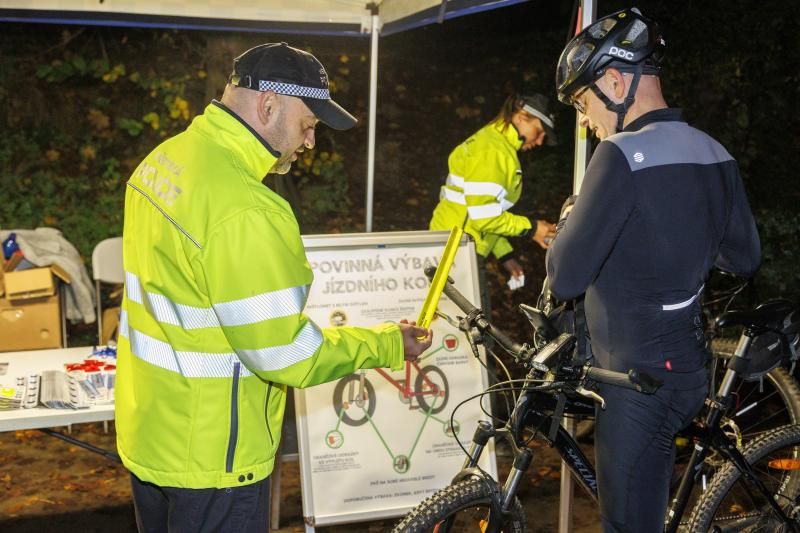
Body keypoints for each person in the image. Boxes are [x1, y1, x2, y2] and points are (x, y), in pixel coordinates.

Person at [115, 42, 433, 532]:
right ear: (268, 106)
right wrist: (389, 342)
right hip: (215, 459)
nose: (309, 143)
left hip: (152, 437)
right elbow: (287, 355)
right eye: (308, 125)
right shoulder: (248, 210)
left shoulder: (163, 160)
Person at [546, 8, 761, 532]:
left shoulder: (620, 155)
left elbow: (566, 277)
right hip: (687, 372)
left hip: (633, 383)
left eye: (582, 101)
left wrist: (572, 220)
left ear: (616, 82)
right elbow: (744, 258)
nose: (584, 118)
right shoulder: (715, 152)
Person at [429, 88, 558, 292]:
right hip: (455, 254)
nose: (540, 141)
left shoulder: (495, 145)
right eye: (540, 131)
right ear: (522, 116)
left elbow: (482, 214)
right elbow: (484, 217)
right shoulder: (493, 152)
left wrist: (505, 255)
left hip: (456, 249)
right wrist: (533, 228)